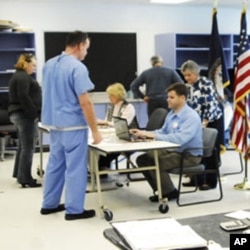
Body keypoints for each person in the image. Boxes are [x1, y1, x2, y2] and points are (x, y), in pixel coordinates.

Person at [40, 31, 102, 220]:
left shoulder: (49, 64)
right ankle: (74, 210)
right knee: (75, 168)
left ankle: (48, 205)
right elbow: (85, 102)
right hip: (73, 126)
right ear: (80, 45)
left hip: (55, 125)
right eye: (87, 48)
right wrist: (95, 130)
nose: (86, 53)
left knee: (55, 165)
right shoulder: (78, 67)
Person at [131, 83, 202, 202]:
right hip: (175, 151)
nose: (167, 99)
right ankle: (161, 190)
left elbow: (180, 139)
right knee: (142, 159)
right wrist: (144, 133)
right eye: (168, 96)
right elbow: (163, 131)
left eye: (171, 97)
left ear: (182, 98)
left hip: (189, 155)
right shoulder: (171, 113)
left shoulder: (191, 117)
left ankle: (170, 192)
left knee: (156, 162)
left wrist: (153, 135)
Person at [180, 60, 225, 190]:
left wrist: (204, 123)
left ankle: (211, 182)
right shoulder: (188, 86)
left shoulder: (206, 84)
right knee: (195, 152)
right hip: (196, 122)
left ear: (196, 73)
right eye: (184, 75)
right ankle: (196, 180)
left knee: (209, 153)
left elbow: (210, 105)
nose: (186, 78)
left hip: (210, 121)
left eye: (189, 75)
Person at [8, 53, 42, 188]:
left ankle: (19, 174)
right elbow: (24, 96)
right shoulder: (22, 77)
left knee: (23, 146)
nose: (34, 68)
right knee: (28, 147)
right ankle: (26, 178)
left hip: (18, 114)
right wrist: (33, 113)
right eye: (33, 65)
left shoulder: (18, 76)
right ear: (26, 63)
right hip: (24, 115)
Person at [97, 82, 138, 175]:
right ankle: (99, 169)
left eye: (111, 95)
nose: (109, 98)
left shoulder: (128, 107)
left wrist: (106, 123)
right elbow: (107, 121)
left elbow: (122, 124)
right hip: (112, 134)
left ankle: (101, 168)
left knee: (108, 148)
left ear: (118, 95)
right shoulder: (111, 107)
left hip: (126, 137)